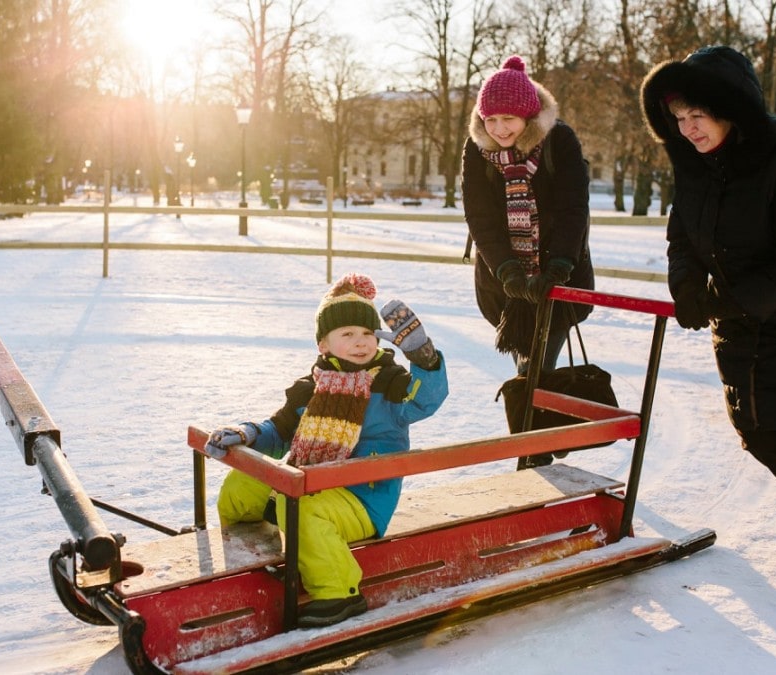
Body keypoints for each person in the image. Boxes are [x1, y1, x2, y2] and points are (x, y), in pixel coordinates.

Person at [641, 46, 776, 593]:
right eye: (678, 119)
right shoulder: (692, 159)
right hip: (739, 309)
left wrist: (725, 301)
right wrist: (687, 287)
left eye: (698, 116)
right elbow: (682, 235)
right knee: (754, 427)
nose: (687, 129)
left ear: (729, 109)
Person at [203, 273, 448, 627]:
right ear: (323, 344)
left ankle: (339, 592)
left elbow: (425, 401)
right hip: (311, 485)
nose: (360, 342)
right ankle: (251, 557)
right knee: (241, 487)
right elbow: (280, 432)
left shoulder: (390, 383)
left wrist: (424, 360)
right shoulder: (311, 387)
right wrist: (247, 433)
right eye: (347, 334)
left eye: (367, 333)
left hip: (363, 499)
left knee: (301, 509)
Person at [461, 54, 595, 468]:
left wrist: (558, 267)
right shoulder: (477, 150)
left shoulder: (560, 142)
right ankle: (539, 446)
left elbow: (575, 209)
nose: (498, 129)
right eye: (490, 120)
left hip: (557, 274)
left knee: (538, 363)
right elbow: (480, 216)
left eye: (508, 120)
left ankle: (533, 457)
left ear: (528, 115)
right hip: (505, 282)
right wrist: (506, 270)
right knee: (528, 362)